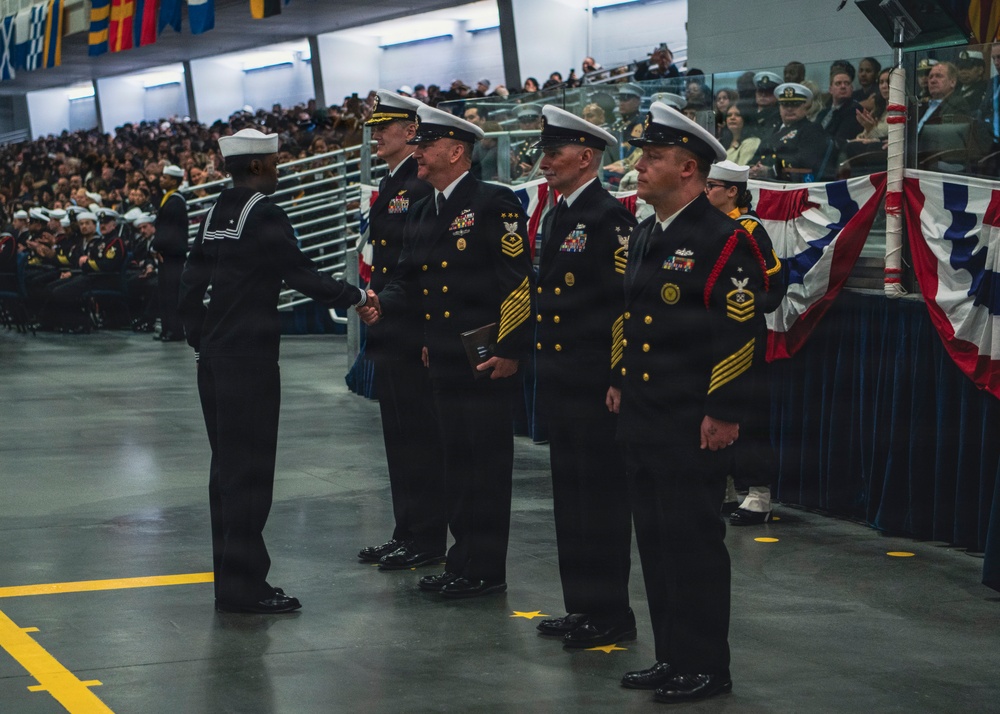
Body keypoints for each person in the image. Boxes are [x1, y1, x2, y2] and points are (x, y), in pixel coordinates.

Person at [178, 128, 371, 614]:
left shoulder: (213, 213)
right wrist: (358, 298)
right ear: (260, 166)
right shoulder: (263, 212)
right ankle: (246, 589)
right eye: (277, 163)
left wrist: (200, 336)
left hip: (216, 360)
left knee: (225, 472)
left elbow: (188, 285)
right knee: (250, 475)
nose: (280, 170)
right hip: (250, 362)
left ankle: (231, 584)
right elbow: (299, 272)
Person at [615, 101, 766, 703]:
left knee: (694, 543)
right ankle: (672, 654)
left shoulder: (722, 238)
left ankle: (706, 664)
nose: (640, 166)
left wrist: (725, 410)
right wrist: (620, 378)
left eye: (653, 158)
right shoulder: (649, 230)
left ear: (688, 169)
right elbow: (632, 316)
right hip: (645, 411)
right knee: (654, 539)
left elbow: (738, 332)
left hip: (691, 417)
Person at [360, 105, 534, 599]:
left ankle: (486, 568)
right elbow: (410, 279)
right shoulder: (422, 207)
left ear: (456, 151)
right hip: (440, 355)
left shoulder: (492, 202)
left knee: (486, 467)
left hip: (484, 359)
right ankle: (462, 561)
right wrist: (378, 304)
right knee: (457, 464)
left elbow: (517, 285)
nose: (416, 151)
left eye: (426, 144)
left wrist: (509, 348)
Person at [530, 105, 638, 648]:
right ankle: (582, 607)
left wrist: (618, 374)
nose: (545, 162)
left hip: (595, 382)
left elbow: (624, 306)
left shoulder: (608, 217)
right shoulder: (558, 214)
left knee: (599, 501)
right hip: (562, 380)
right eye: (545, 153)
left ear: (586, 157)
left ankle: (611, 612)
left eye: (555, 153)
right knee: (570, 499)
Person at [355, 91, 445, 571]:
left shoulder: (421, 181)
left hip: (412, 327)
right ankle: (406, 530)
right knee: (397, 436)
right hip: (389, 323)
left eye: (383, 127)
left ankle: (427, 536)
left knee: (419, 438)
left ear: (411, 132)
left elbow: (421, 267)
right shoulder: (394, 183)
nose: (375, 135)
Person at [702, 160, 787, 525]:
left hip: (740, 334)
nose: (705, 192)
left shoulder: (748, 229)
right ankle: (725, 487)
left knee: (747, 412)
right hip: (710, 334)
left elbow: (772, 282)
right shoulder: (710, 227)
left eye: (712, 186)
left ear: (733, 191)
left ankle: (759, 494)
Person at [750, 83, 830, 182]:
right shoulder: (774, 130)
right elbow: (756, 157)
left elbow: (805, 163)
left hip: (790, 187)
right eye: (785, 104)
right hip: (764, 184)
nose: (789, 109)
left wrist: (771, 172)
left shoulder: (812, 129)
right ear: (779, 107)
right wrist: (752, 169)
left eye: (795, 104)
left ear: (805, 107)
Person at [153, 164, 189, 342]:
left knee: (172, 294)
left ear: (174, 181)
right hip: (167, 253)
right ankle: (167, 328)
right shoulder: (168, 199)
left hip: (172, 255)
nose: (162, 180)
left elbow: (167, 230)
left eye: (165, 178)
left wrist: (156, 246)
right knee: (165, 294)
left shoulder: (174, 201)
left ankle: (174, 330)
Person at [815, 71, 864, 153]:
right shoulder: (823, 113)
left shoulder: (855, 110)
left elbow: (840, 139)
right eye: (838, 83)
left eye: (847, 83)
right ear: (830, 89)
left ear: (851, 89)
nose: (843, 86)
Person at [745, 72, 782, 139]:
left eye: (768, 91)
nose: (763, 95)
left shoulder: (780, 115)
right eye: (760, 91)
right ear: (756, 92)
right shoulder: (747, 113)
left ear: (776, 95)